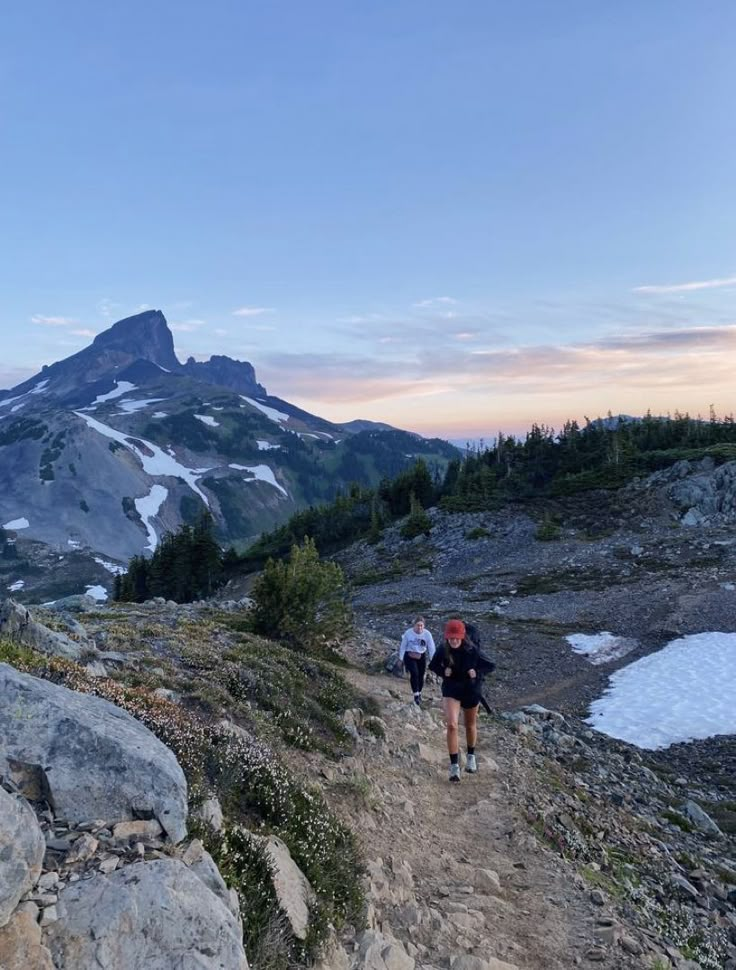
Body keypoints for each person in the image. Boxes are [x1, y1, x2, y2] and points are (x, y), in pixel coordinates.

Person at [429, 618, 494, 783]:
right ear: (447, 637)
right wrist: (444, 671)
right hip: (451, 689)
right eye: (451, 638)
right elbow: (433, 665)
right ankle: (454, 767)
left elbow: (491, 665)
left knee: (470, 725)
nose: (454, 641)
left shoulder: (473, 650)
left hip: (471, 690)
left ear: (462, 636)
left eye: (456, 637)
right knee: (452, 725)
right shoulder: (443, 649)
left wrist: (476, 672)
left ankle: (471, 755)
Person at [398, 616, 436, 705]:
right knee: (414, 673)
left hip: (421, 655)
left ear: (424, 626)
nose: (419, 627)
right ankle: (416, 695)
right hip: (409, 655)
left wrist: (433, 659)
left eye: (421, 625)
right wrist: (401, 658)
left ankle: (419, 693)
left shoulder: (427, 634)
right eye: (418, 625)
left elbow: (431, 647)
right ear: (414, 625)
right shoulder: (408, 633)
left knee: (421, 675)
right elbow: (403, 646)